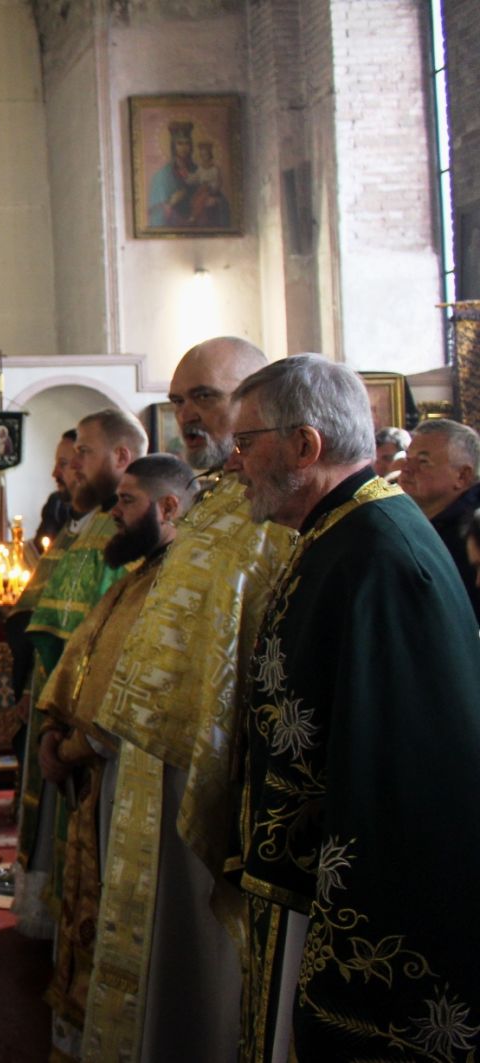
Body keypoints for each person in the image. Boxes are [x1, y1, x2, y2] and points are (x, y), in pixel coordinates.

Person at [225, 354, 480, 1062]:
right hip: (307, 869)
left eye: (246, 442)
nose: (235, 462)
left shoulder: (376, 551)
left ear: (305, 446)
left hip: (350, 888)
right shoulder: (344, 533)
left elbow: (399, 746)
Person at [83, 335, 292, 1063]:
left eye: (204, 395)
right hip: (151, 765)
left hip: (219, 773)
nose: (187, 414)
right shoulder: (210, 506)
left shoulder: (275, 517)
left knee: (209, 963)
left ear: (259, 398)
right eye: (178, 400)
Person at [37, 454, 198, 1053]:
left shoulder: (179, 585)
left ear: (168, 507)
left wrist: (73, 746)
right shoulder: (137, 575)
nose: (114, 513)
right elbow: (86, 652)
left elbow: (144, 689)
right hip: (94, 770)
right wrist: (53, 727)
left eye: (127, 501)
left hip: (133, 779)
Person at [395, 418, 480, 623]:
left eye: (423, 461)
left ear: (462, 476)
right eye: (407, 458)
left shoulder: (473, 531)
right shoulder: (402, 517)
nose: (406, 469)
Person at [148, 121, 197, 228]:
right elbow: (155, 212)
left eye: (187, 143)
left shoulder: (198, 170)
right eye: (180, 143)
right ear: (173, 146)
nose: (184, 148)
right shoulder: (162, 175)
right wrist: (171, 202)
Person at [34, 429, 77, 546]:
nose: (54, 473)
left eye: (63, 464)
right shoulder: (55, 503)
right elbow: (38, 550)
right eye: (56, 463)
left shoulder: (106, 516)